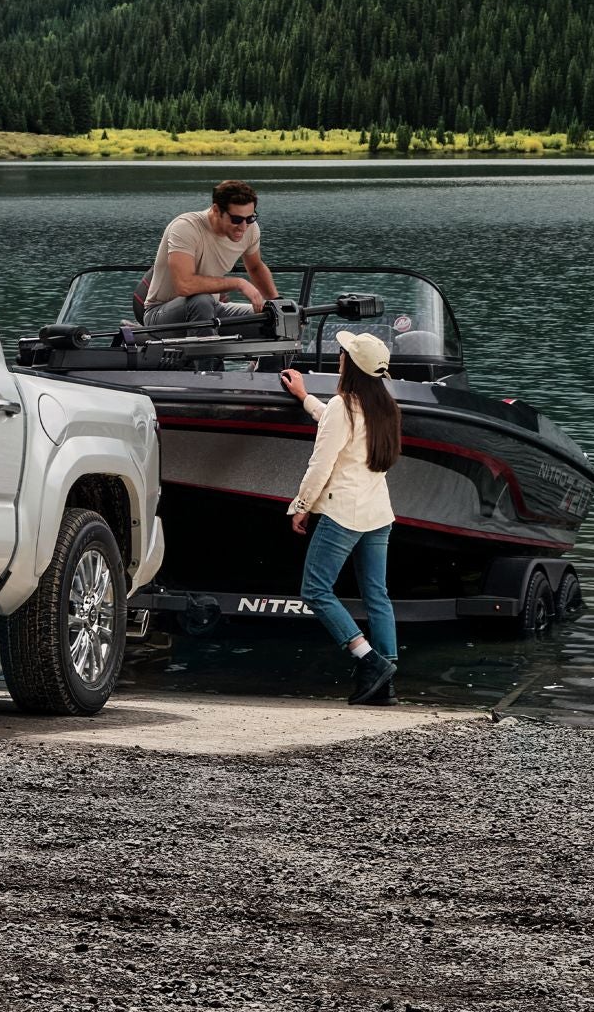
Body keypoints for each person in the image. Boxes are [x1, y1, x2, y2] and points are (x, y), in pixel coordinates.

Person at [278, 330, 402, 705]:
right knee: (376, 595)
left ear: (351, 366)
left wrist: (300, 506)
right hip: (378, 512)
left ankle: (367, 659)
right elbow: (337, 426)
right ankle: (387, 679)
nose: (340, 358)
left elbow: (321, 464)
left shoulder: (342, 406)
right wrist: (306, 400)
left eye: (344, 353)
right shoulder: (385, 406)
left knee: (315, 589)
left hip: (342, 513)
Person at [136, 179, 279, 330]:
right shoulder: (186, 228)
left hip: (213, 309)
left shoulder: (250, 229)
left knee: (274, 317)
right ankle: (207, 351)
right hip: (160, 314)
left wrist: (277, 302)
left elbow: (256, 267)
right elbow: (184, 285)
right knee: (201, 301)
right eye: (236, 219)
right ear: (217, 210)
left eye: (250, 218)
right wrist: (238, 283)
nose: (243, 227)